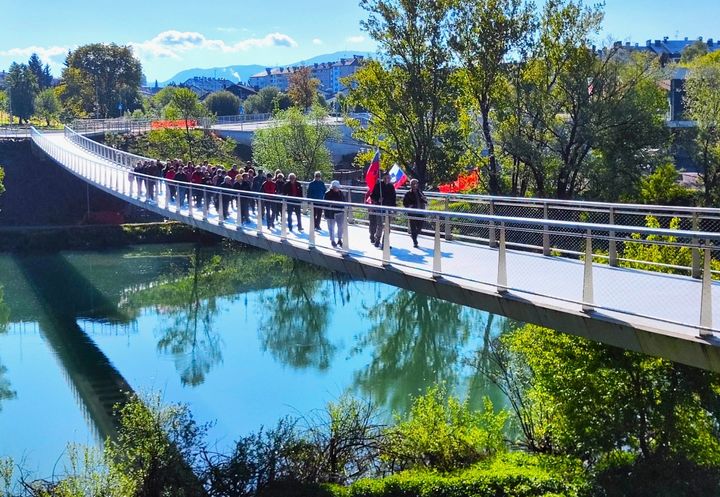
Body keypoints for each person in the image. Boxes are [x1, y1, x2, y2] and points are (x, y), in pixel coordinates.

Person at [370, 172, 397, 248]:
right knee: (380, 225)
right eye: (386, 178)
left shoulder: (391, 186)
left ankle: (385, 242)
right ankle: (377, 240)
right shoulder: (378, 185)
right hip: (380, 207)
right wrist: (378, 200)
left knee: (387, 226)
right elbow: (372, 196)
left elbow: (394, 198)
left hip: (388, 208)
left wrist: (394, 208)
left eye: (388, 178)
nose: (387, 179)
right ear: (383, 178)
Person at [402, 178, 428, 247]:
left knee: (420, 227)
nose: (414, 185)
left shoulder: (420, 192)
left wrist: (425, 200)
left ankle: (414, 235)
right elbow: (404, 203)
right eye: (413, 184)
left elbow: (425, 201)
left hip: (420, 212)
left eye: (415, 184)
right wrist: (409, 206)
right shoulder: (408, 193)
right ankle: (415, 241)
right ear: (410, 185)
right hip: (412, 213)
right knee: (413, 228)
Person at [324, 180, 346, 248]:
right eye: (336, 187)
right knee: (331, 227)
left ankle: (339, 239)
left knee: (340, 227)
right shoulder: (327, 194)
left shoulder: (340, 193)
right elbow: (325, 204)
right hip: (331, 213)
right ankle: (332, 240)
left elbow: (343, 201)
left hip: (340, 212)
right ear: (333, 187)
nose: (337, 188)